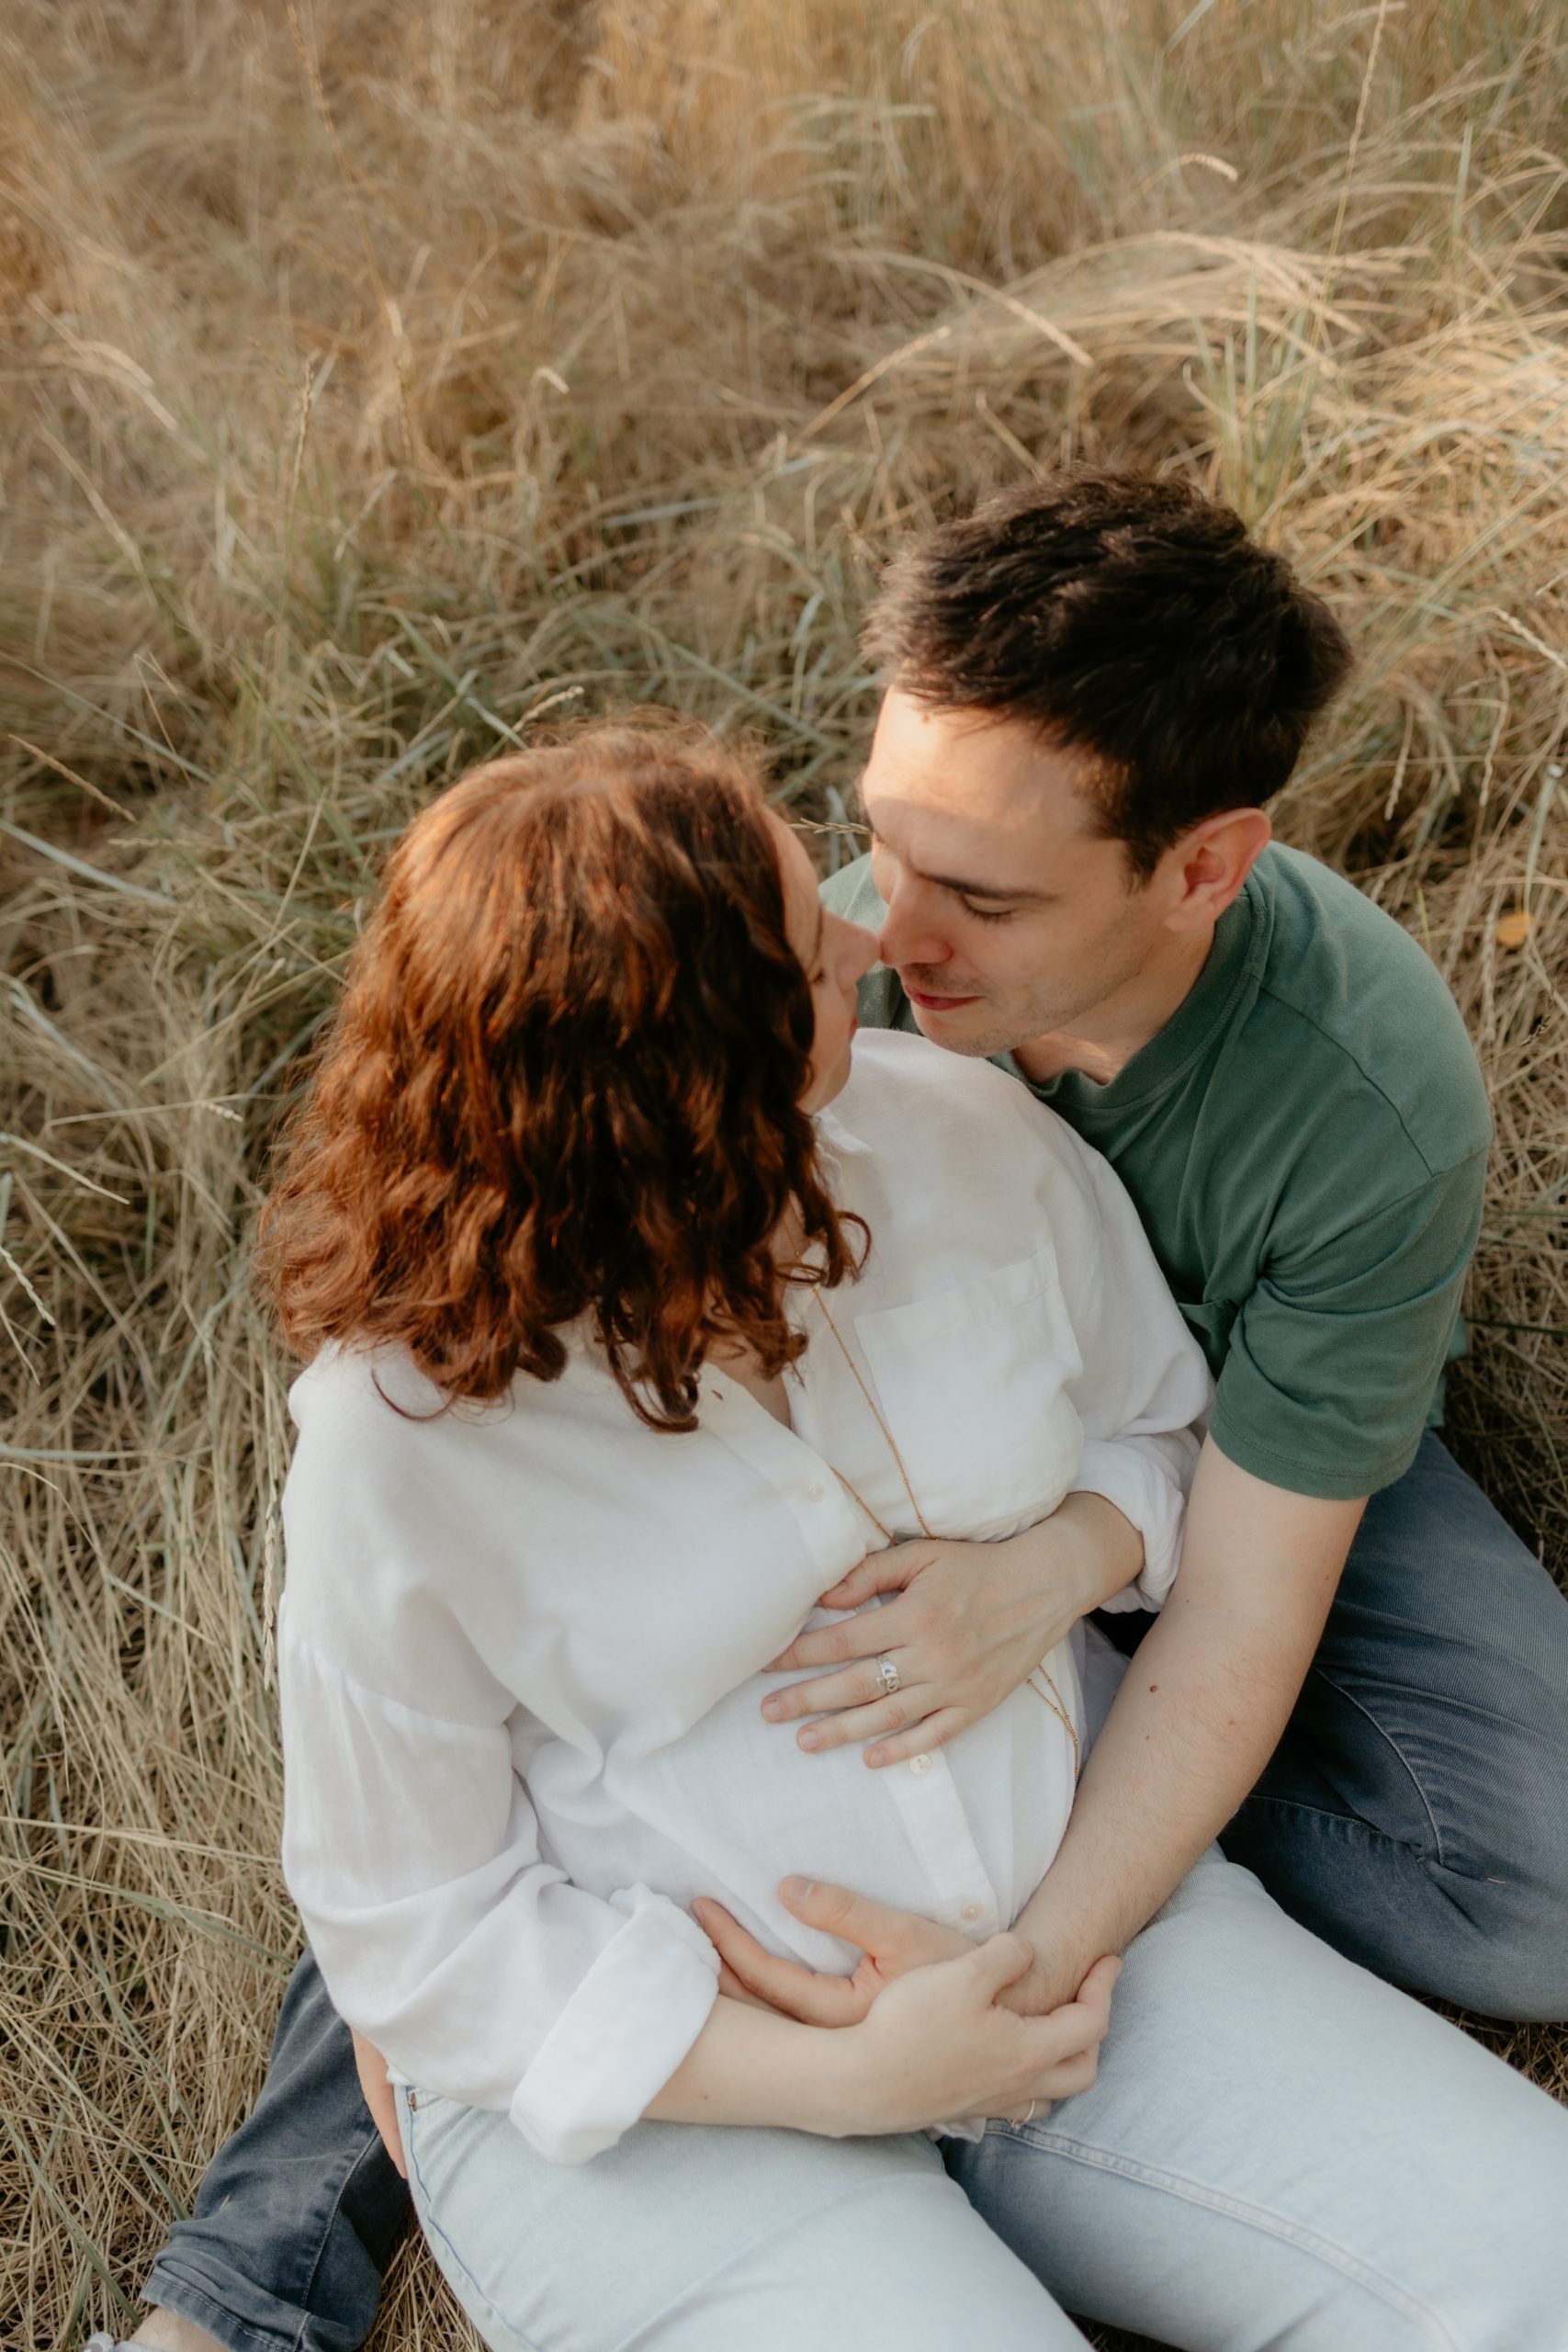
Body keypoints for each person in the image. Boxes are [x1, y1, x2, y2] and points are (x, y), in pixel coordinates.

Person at [98, 474, 1568, 2352]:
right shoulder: (401, 1436)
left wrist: (1071, 1565)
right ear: (678, 1088)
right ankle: (244, 2280)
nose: (873, 944)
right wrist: (849, 2075)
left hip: (1079, 1941)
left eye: (900, 898)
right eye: (828, 921)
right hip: (682, 2086)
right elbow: (412, 1917)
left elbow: (1169, 1443)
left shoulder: (981, 1137)